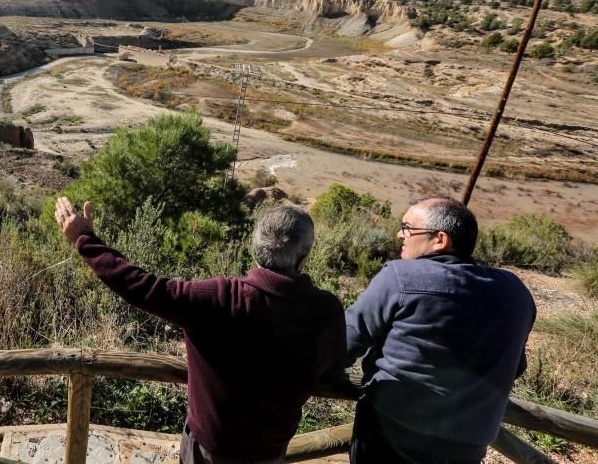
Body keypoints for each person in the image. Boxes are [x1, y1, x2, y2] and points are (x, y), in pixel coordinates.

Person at [54, 196, 346, 464]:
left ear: (255, 249)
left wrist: (84, 239)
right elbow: (331, 372)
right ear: (303, 258)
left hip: (206, 452)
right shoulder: (327, 311)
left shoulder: (222, 298)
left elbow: (141, 287)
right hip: (268, 454)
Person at [344, 196, 536, 464]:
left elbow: (345, 341)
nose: (400, 234)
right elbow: (515, 366)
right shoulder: (516, 292)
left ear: (440, 240)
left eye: (408, 228)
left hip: (391, 437)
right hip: (468, 444)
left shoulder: (402, 277)